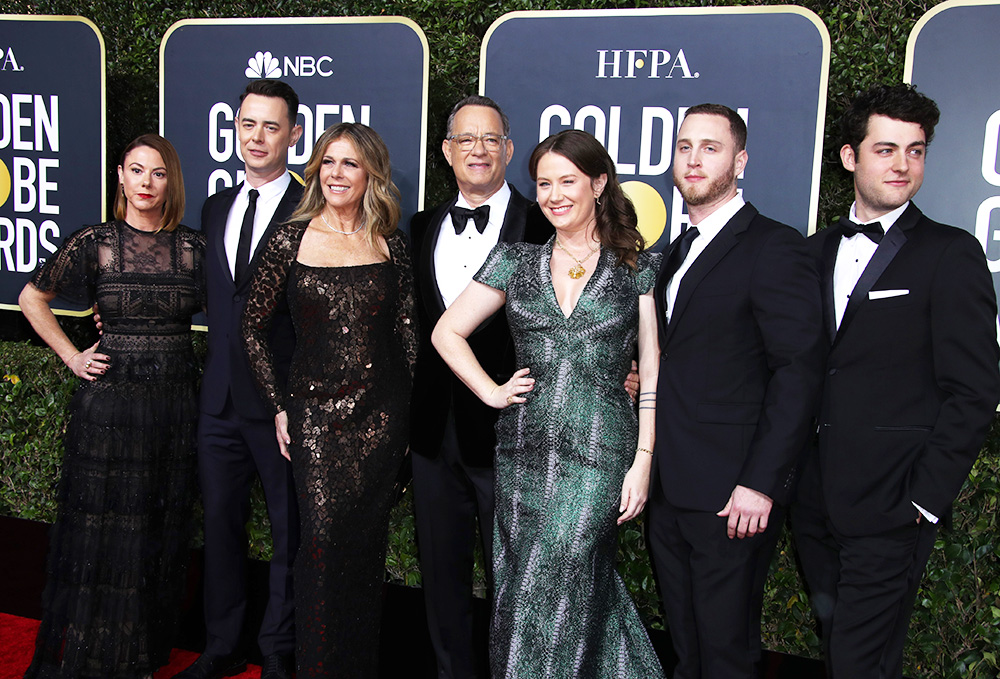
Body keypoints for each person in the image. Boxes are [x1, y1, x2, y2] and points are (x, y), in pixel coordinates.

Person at [433, 129, 665, 678]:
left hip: (600, 453)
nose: (555, 194)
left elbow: (652, 367)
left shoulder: (635, 267)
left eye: (568, 181)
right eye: (544, 183)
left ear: (599, 184)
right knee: (526, 584)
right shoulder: (514, 260)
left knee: (563, 564)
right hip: (524, 451)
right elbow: (447, 333)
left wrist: (643, 461)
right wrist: (491, 391)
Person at [790, 84, 1000, 679]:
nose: (903, 164)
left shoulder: (950, 254)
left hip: (891, 504)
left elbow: (975, 389)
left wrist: (922, 500)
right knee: (841, 651)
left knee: (859, 662)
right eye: (886, 149)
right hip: (811, 499)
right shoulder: (809, 254)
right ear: (850, 157)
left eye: (916, 149)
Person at [648, 104, 825, 679]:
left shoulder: (774, 246)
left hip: (732, 492)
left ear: (740, 161)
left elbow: (798, 371)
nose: (693, 159)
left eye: (711, 147)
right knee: (688, 646)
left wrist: (760, 483)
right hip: (669, 486)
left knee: (726, 651)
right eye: (684, 146)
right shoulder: (676, 250)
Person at [19, 134, 204, 679]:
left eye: (158, 173)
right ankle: (94, 656)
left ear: (171, 182)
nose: (147, 183)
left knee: (155, 527)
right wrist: (73, 356)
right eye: (137, 171)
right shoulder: (95, 242)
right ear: (119, 177)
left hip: (173, 403)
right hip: (110, 406)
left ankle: (139, 654)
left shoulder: (193, 247)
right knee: (103, 531)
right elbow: (33, 297)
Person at [242, 122, 418, 678]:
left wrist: (408, 419)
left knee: (364, 553)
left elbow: (409, 335)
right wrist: (279, 405)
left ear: (372, 175)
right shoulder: (289, 238)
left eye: (350, 164)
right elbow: (251, 328)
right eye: (329, 162)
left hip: (381, 419)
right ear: (316, 169)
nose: (337, 173)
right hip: (315, 417)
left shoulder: (391, 240)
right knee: (319, 547)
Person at [408, 95, 552, 678]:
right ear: (446, 151)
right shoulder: (420, 226)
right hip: (432, 435)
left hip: (513, 432)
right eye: (465, 139)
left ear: (509, 150)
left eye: (490, 139)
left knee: (512, 580)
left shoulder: (546, 223)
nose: (478, 150)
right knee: (441, 576)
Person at [174, 79, 303, 679]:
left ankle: (277, 651)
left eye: (270, 126)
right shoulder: (215, 206)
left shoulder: (312, 210)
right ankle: (221, 644)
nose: (256, 137)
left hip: (281, 405)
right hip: (218, 400)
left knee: (288, 534)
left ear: (293, 135)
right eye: (247, 124)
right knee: (221, 527)